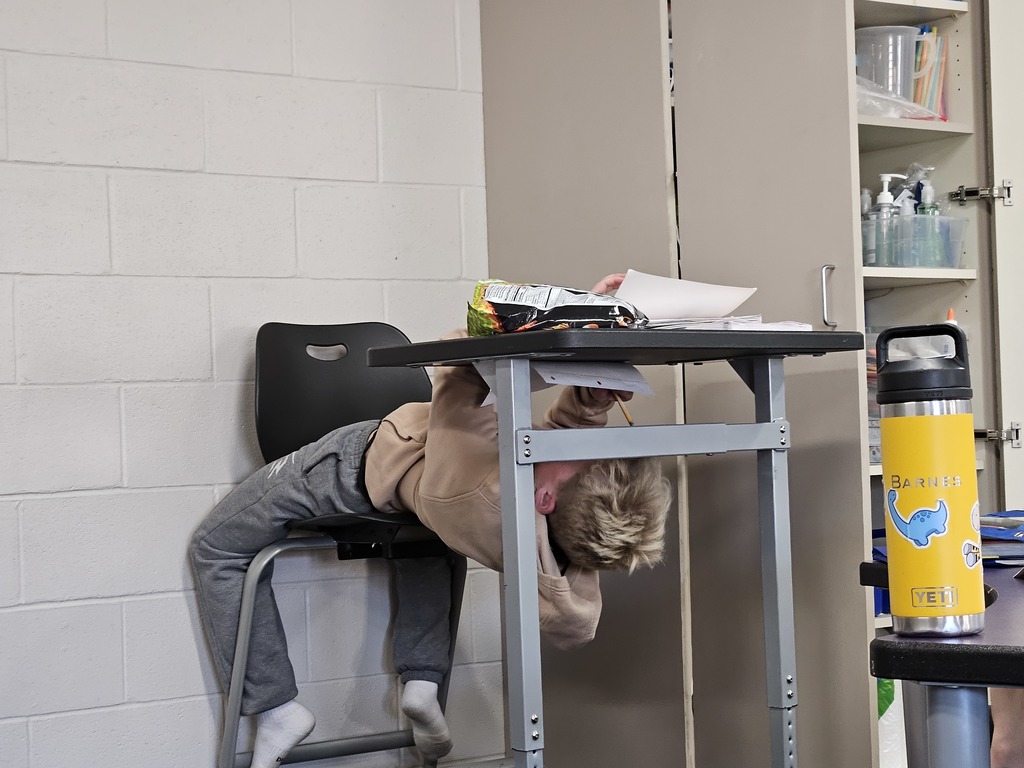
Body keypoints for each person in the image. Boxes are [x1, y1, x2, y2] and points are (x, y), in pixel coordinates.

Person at [189, 274, 672, 767]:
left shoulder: (481, 481)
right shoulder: (562, 554)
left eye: (580, 459)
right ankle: (423, 682)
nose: (578, 448)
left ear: (544, 497)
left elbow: (461, 359)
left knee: (215, 546)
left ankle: (274, 708)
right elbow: (565, 439)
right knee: (433, 542)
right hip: (434, 506)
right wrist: (591, 396)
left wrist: (571, 314)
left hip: (356, 466)